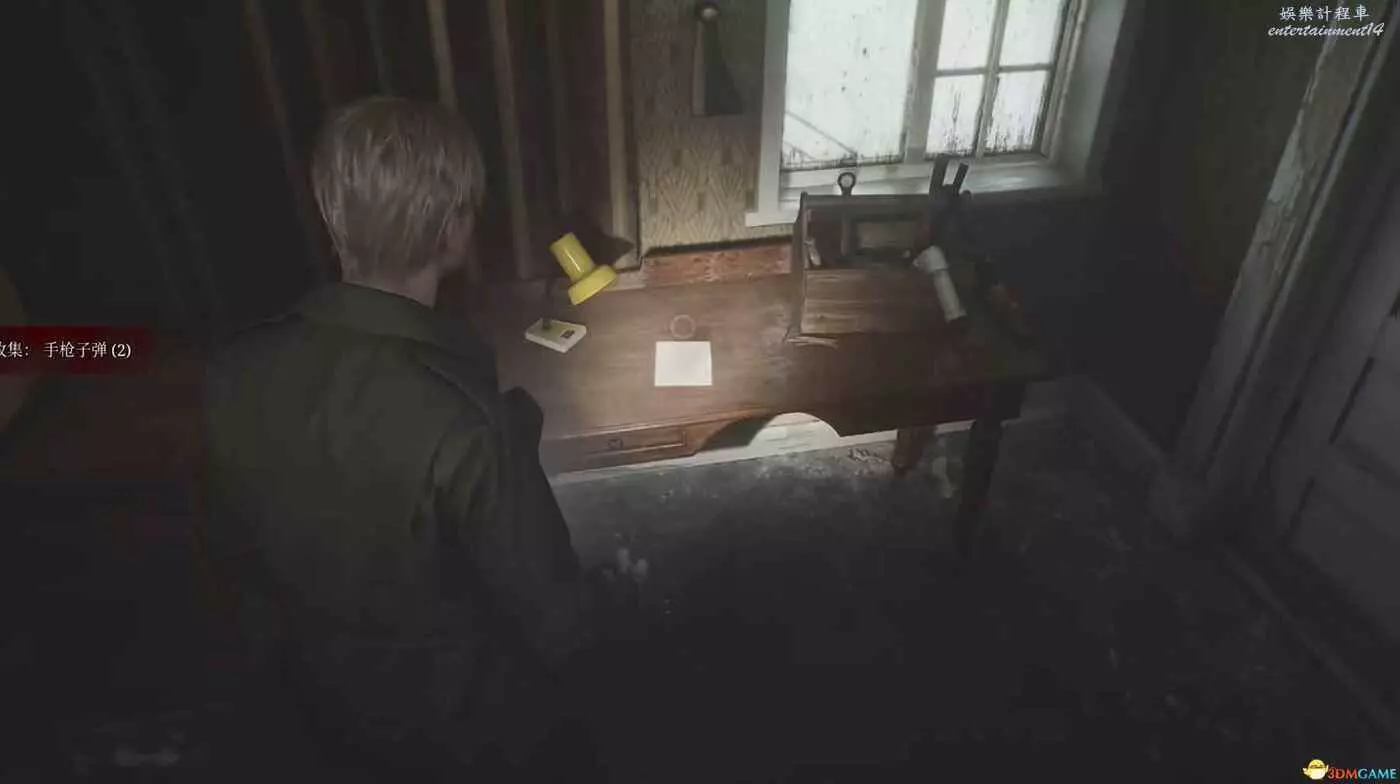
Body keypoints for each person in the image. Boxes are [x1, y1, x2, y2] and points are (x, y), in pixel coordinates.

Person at [203, 96, 610, 781]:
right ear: (454, 231)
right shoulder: (464, 419)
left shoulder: (232, 371)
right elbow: (557, 619)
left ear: (333, 214)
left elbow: (237, 560)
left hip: (316, 709)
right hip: (462, 733)